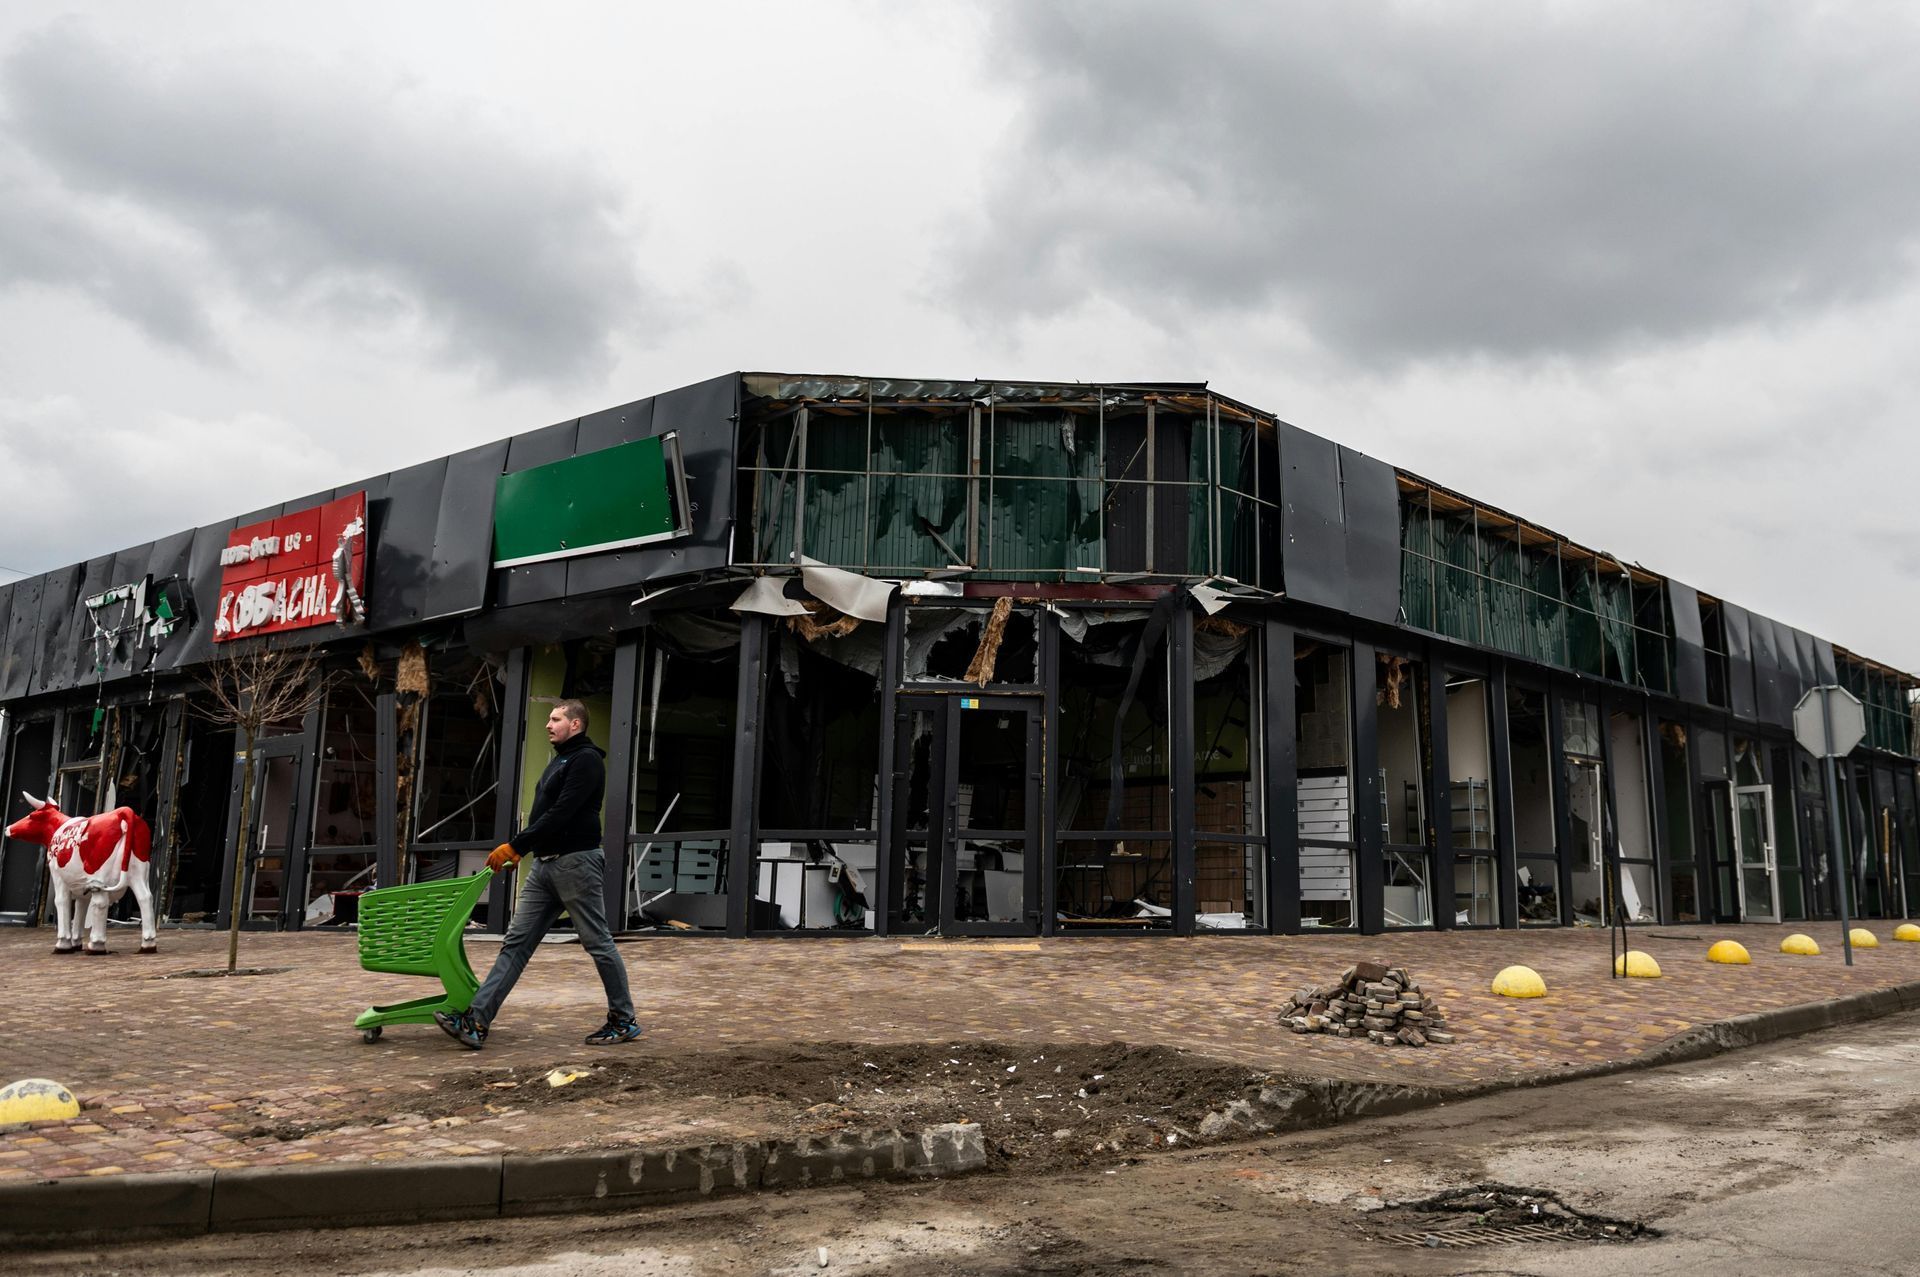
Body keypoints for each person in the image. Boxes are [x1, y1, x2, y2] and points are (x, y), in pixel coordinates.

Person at [434, 700, 640, 1049]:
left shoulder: (586, 760)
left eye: (556, 719)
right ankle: (476, 1023)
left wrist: (516, 846)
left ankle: (624, 1020)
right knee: (516, 943)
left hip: (576, 863)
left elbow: (563, 812)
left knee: (598, 943)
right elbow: (547, 816)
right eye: (548, 718)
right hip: (545, 866)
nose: (548, 724)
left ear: (575, 724)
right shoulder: (559, 761)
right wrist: (527, 849)